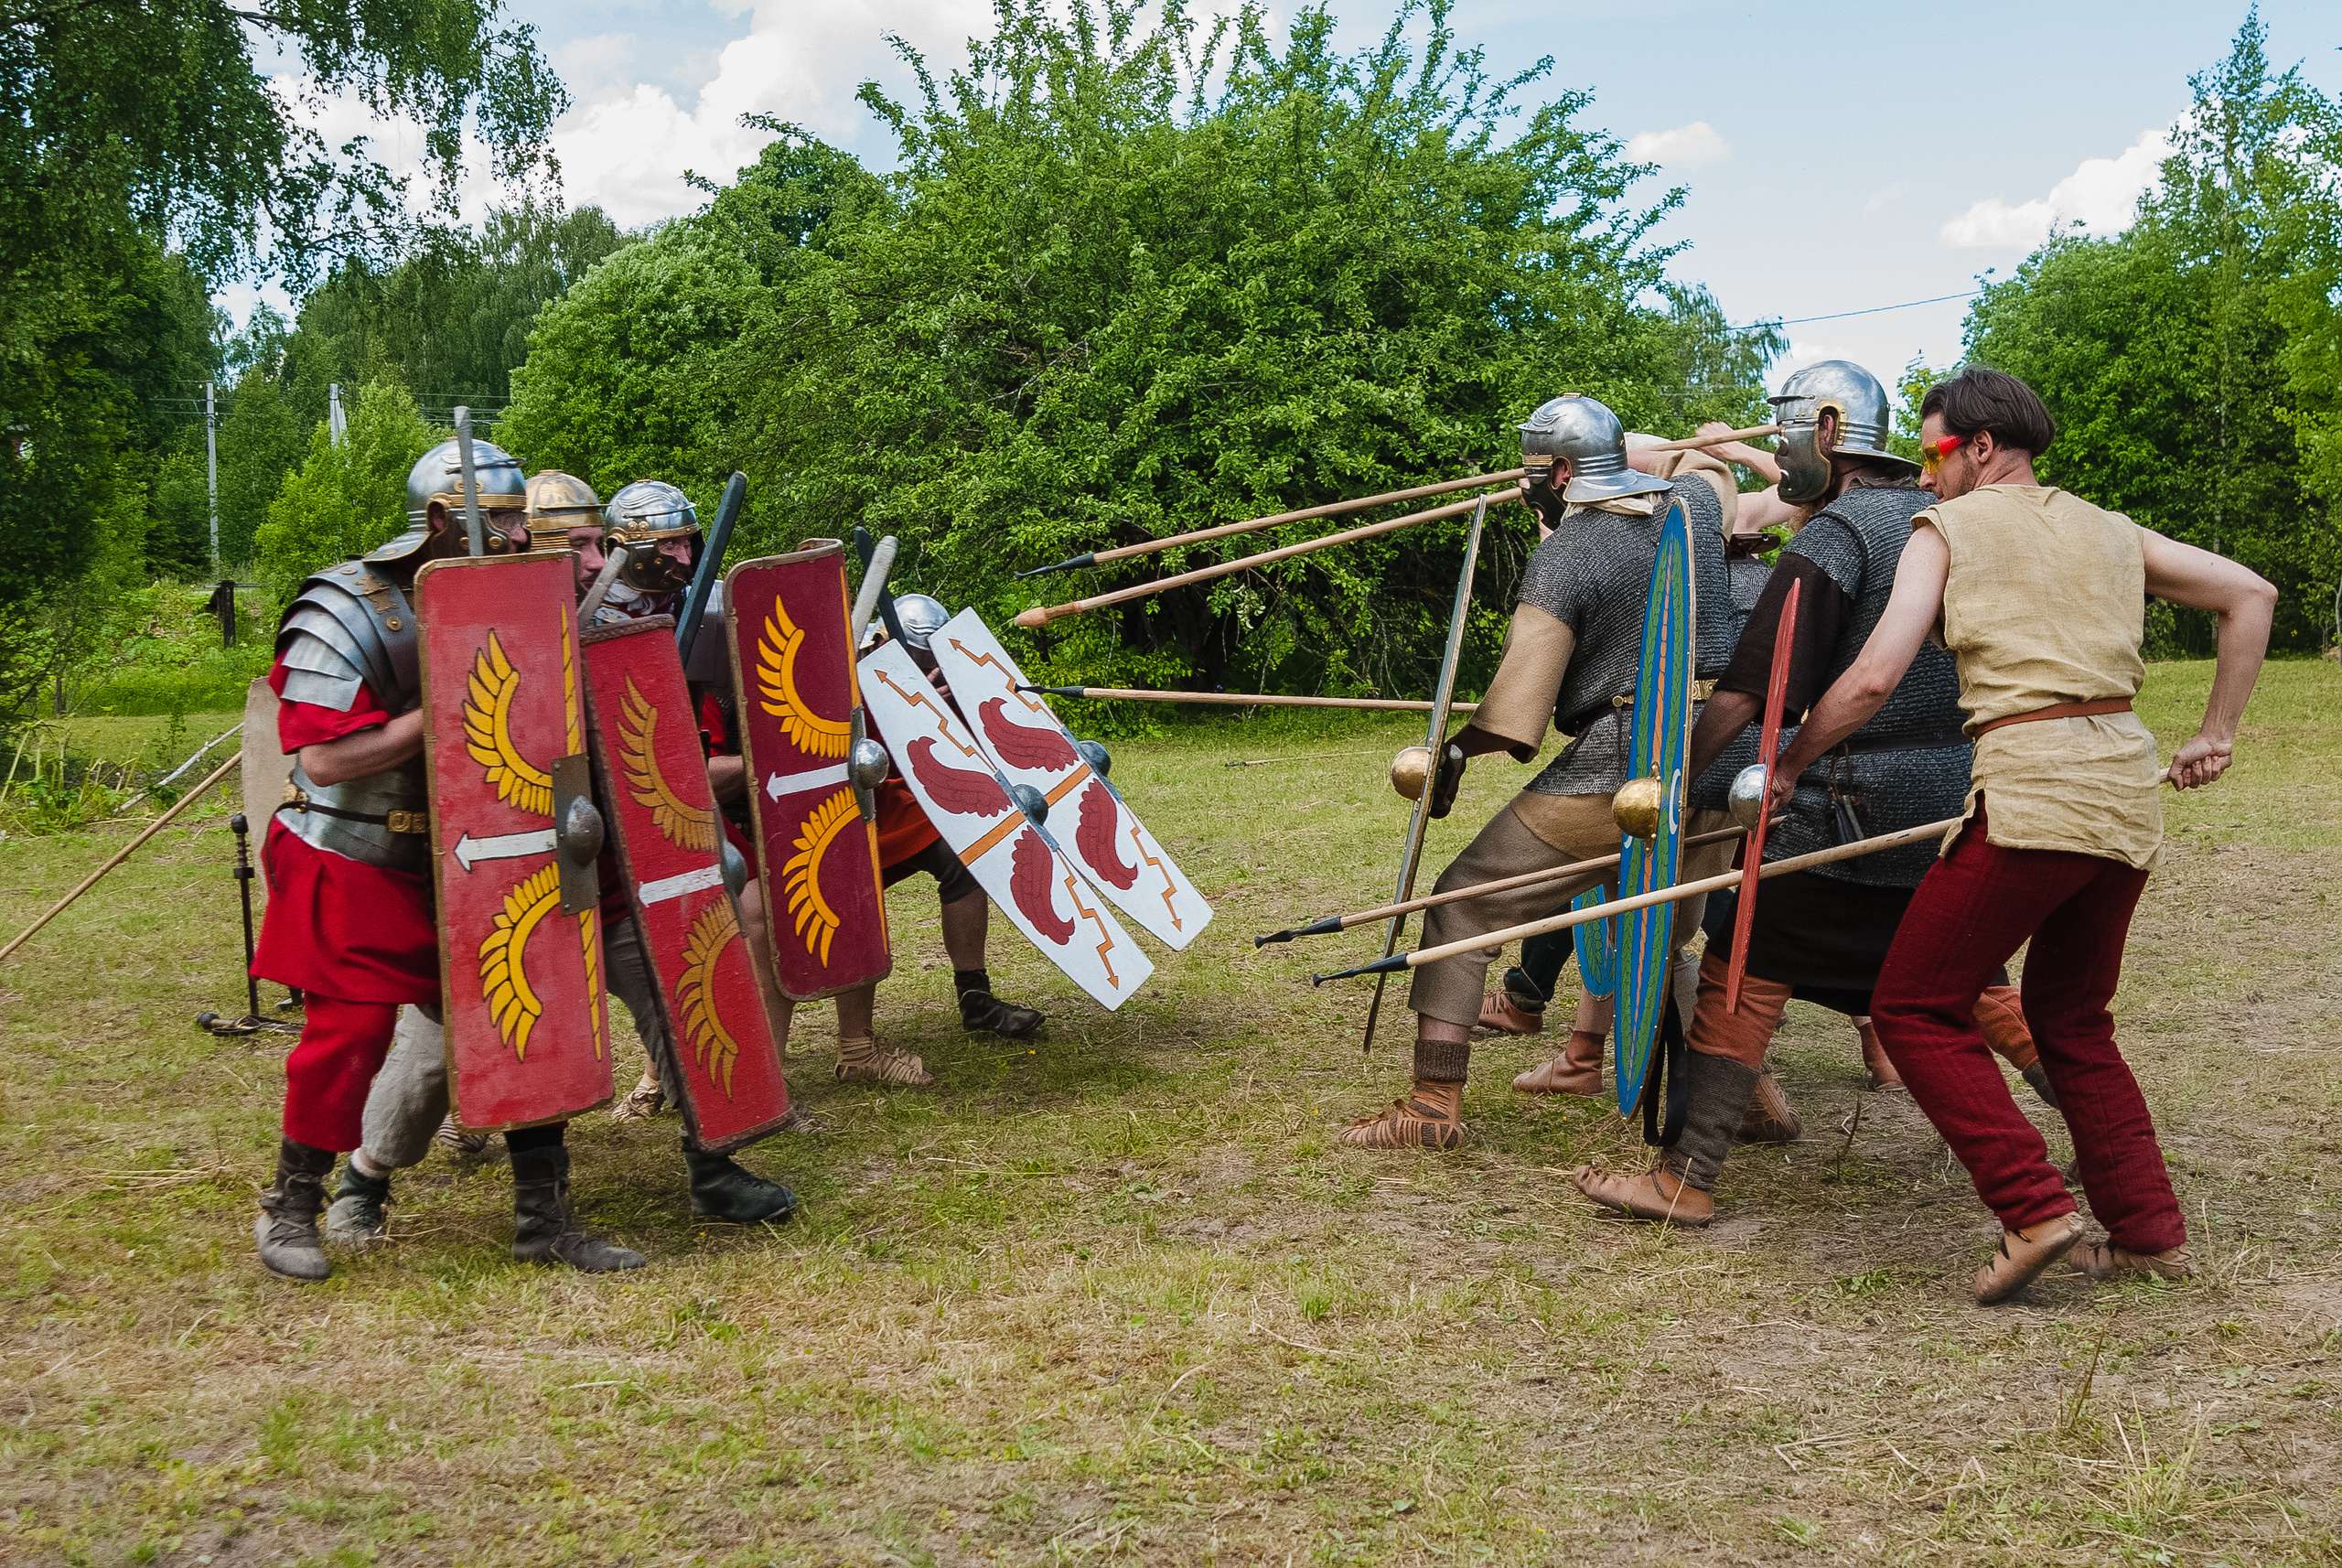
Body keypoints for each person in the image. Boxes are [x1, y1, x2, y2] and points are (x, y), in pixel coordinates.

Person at [1767, 364, 2273, 1302]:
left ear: (1982, 446)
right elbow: (2252, 594)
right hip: (2124, 797)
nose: (1925, 478)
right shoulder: (2113, 530)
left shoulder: (1946, 530)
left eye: (1933, 456)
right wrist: (2216, 733)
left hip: (2036, 794)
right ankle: (2149, 1234)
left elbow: (1874, 676)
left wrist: (1791, 762)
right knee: (2072, 1018)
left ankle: (2033, 1207)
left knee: (1914, 1006)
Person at [1573, 361, 2049, 1225]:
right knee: (1973, 980)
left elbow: (1752, 689)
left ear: (1826, 430)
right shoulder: (1954, 521)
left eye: (1783, 427)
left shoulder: (1840, 533)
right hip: (1950, 794)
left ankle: (1686, 1179)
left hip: (1845, 802)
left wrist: (1677, 773)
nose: (1779, 447)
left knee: (1742, 970)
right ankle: (2091, 1130)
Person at [325, 472, 800, 1251]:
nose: (596, 561)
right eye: (575, 546)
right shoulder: (470, 634)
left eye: (595, 545)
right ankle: (363, 1181)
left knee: (681, 994)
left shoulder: (619, 626)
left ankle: (712, 1167)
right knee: (439, 1053)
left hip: (608, 873)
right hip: (507, 879)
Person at [252, 439, 643, 1281]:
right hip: (361, 855)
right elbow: (324, 761)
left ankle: (543, 1219)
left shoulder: (524, 597)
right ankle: (292, 1205)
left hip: (494, 851)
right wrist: (443, 705)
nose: (519, 535)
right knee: (350, 1033)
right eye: (501, 520)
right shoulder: (350, 606)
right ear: (439, 518)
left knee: (526, 1008)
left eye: (518, 519)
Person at [1337, 394, 1740, 1149]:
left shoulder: (1569, 552)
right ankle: (1749, 1102)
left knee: (1462, 905)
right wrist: (1627, 451)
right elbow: (1703, 459)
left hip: (1627, 766)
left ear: (1560, 472)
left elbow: (1516, 710)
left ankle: (1431, 1106)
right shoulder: (1693, 504)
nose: (1527, 489)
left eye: (1534, 473)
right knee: (1659, 932)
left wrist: (1457, 752)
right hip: (1719, 762)